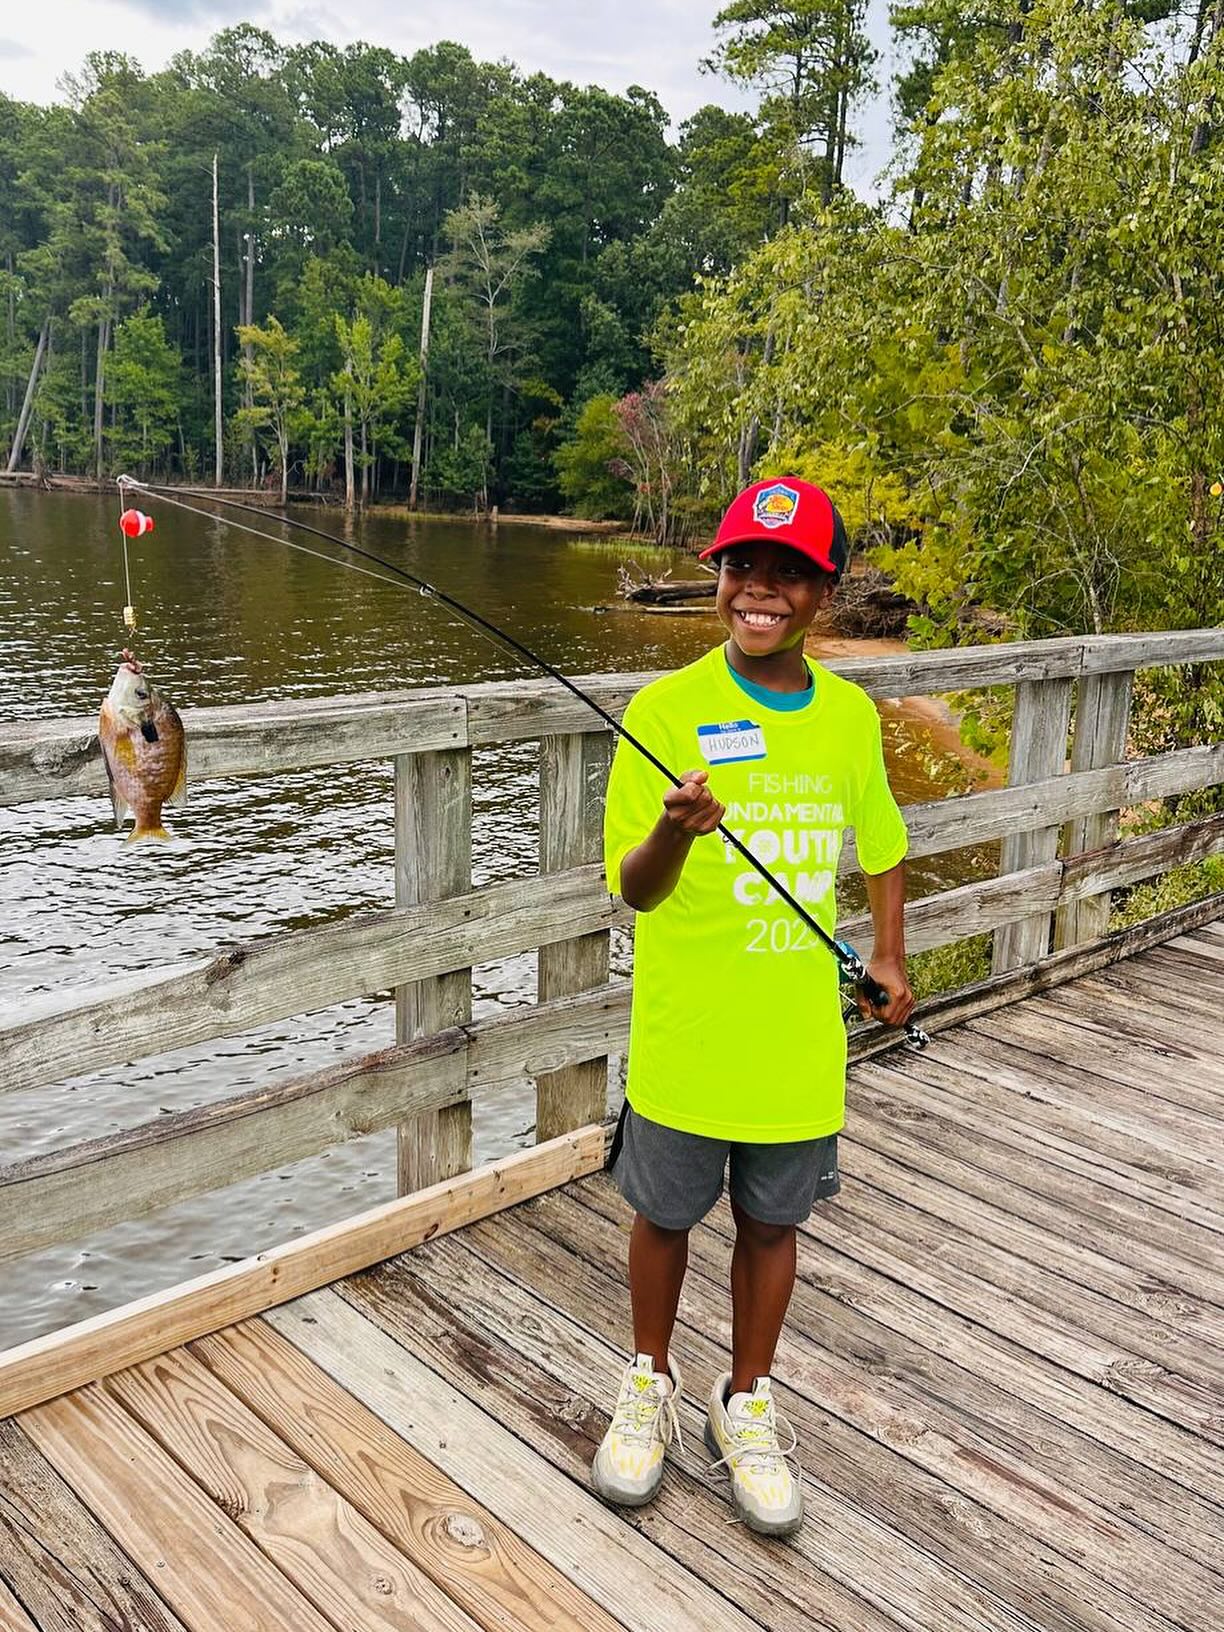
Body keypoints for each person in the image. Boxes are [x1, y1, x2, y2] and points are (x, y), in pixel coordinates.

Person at [591, 475, 914, 1537]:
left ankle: (747, 1400)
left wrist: (892, 957)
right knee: (663, 1215)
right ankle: (647, 1380)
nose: (761, 591)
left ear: (825, 590)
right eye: (744, 568)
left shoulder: (851, 715)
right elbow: (634, 890)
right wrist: (678, 830)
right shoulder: (665, 711)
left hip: (795, 1041)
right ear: (717, 578)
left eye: (789, 572)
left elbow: (883, 845)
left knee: (773, 1225)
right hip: (686, 1034)